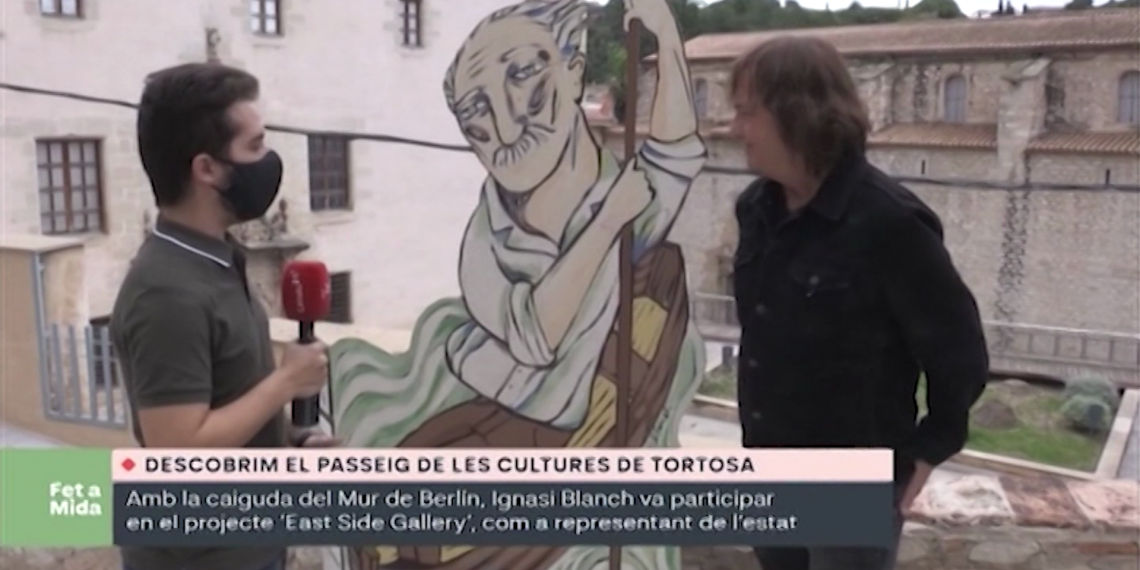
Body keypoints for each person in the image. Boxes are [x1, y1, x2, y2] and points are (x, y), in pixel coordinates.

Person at [331, 0, 707, 568]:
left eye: (525, 81)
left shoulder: (625, 199)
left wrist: (666, 39)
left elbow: (675, 152)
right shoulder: (486, 246)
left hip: (571, 433)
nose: (505, 129)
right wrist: (607, 223)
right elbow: (537, 336)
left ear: (574, 71)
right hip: (504, 413)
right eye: (476, 117)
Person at [728, 37, 989, 570]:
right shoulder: (756, 209)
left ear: (795, 114)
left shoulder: (889, 222)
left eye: (747, 113)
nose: (736, 129)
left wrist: (929, 449)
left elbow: (958, 352)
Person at [111, 62, 335, 570]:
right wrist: (286, 383)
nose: (268, 161)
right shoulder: (166, 292)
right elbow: (178, 450)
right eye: (255, 147)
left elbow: (226, 401)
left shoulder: (215, 260)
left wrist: (289, 441)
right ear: (207, 169)